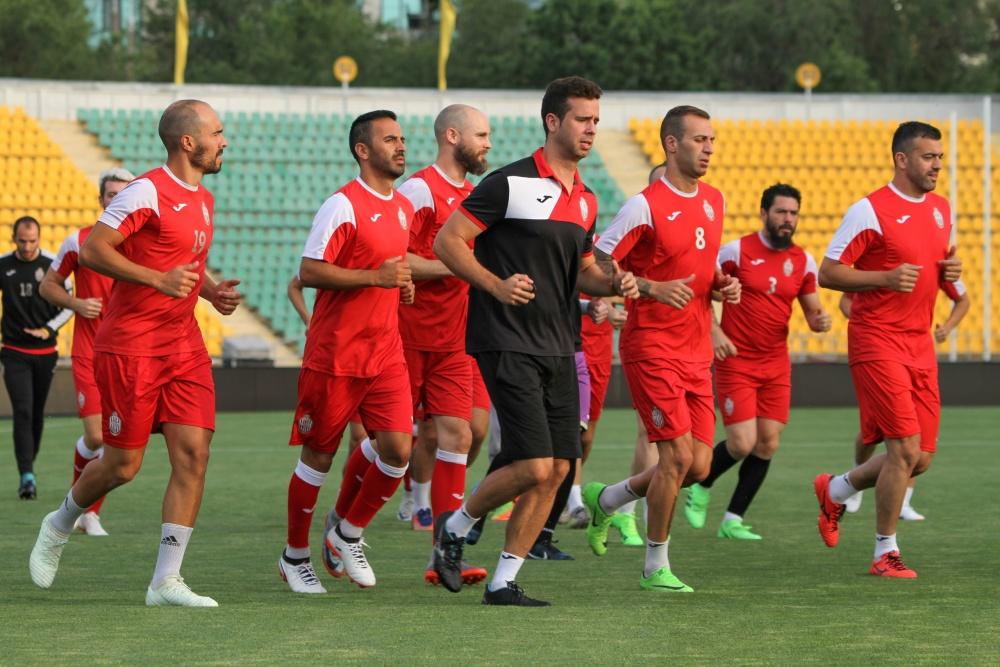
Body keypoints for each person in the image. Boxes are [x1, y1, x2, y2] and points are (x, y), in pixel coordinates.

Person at [431, 76, 638, 606]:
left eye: (596, 120)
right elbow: (447, 241)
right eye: (582, 119)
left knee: (561, 467)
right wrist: (495, 286)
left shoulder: (586, 199)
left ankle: (503, 581)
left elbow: (585, 273)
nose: (592, 129)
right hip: (506, 338)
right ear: (553, 122)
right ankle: (454, 529)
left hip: (560, 343)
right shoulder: (508, 182)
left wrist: (616, 280)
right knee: (533, 464)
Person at [29, 99, 241, 607]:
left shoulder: (204, 198)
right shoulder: (146, 191)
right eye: (217, 131)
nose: (224, 140)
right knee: (123, 464)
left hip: (183, 343)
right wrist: (157, 280)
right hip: (131, 347)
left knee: (194, 454)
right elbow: (96, 248)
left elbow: (185, 259)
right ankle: (59, 522)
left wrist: (209, 291)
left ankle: (165, 581)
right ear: (188, 142)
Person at [582, 105, 741, 593]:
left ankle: (606, 499)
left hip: (695, 347)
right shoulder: (644, 205)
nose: (708, 148)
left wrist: (720, 286)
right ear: (672, 144)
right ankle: (655, 566)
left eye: (711, 140)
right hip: (651, 346)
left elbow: (701, 263)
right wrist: (646, 285)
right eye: (699, 140)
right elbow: (600, 257)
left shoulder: (713, 200)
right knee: (674, 457)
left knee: (699, 465)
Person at [814, 121, 962, 578]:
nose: (937, 164)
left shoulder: (941, 209)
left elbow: (937, 270)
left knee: (921, 458)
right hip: (877, 339)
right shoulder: (869, 210)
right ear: (902, 159)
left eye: (939, 156)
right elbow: (828, 272)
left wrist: (948, 269)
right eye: (927, 157)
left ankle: (836, 489)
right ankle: (885, 552)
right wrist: (881, 277)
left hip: (919, 342)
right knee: (903, 448)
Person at [280, 110, 416, 595]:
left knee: (400, 449)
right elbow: (310, 271)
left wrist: (399, 286)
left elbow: (393, 266)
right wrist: (374, 278)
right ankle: (294, 556)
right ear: (363, 150)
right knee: (318, 457)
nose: (400, 147)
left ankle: (347, 533)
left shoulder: (402, 207)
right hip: (336, 354)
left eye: (401, 139)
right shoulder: (342, 204)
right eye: (389, 140)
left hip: (385, 352)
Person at [683, 183, 831, 540]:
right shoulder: (736, 251)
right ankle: (701, 486)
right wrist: (714, 331)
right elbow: (702, 291)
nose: (788, 219)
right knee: (742, 443)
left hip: (776, 363)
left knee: (768, 443)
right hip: (737, 359)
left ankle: (733, 519)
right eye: (781, 212)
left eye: (793, 213)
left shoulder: (803, 260)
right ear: (764, 214)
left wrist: (819, 321)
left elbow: (812, 312)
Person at [385, 103, 492, 584]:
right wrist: (455, 265)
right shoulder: (420, 189)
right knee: (391, 446)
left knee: (462, 434)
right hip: (406, 336)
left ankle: (443, 554)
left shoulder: (474, 194)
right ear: (453, 136)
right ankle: (344, 525)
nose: (488, 144)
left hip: (454, 340)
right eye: (482, 135)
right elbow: (394, 255)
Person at [38, 167, 135, 534]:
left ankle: (89, 511)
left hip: (128, 355)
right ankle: (80, 509)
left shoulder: (142, 243)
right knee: (97, 437)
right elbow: (50, 286)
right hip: (89, 351)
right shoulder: (78, 241)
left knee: (116, 443)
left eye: (124, 194)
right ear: (101, 200)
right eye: (111, 194)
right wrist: (76, 304)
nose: (117, 199)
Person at [838, 284, 968, 519]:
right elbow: (845, 300)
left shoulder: (938, 253)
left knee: (915, 436)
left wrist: (947, 328)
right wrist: (869, 321)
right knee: (872, 430)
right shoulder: (875, 265)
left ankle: (902, 501)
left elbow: (963, 298)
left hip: (916, 354)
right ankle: (854, 481)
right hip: (880, 351)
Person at [1, 216, 74, 499]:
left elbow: (70, 304)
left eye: (32, 241)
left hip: (46, 352)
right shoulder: (3, 264)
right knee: (22, 410)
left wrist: (48, 328)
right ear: (14, 238)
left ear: (39, 239)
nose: (28, 246)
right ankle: (27, 476)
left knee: (36, 414)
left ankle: (29, 463)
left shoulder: (52, 265)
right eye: (22, 240)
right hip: (14, 351)